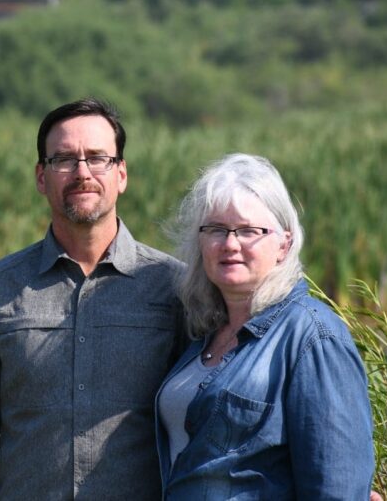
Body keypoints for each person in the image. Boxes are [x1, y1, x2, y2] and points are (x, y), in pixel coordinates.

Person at [0, 98, 185, 500]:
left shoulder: (173, 287)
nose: (82, 172)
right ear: (41, 177)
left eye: (98, 158)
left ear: (121, 174)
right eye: (64, 160)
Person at [155, 153, 375, 499]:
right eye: (216, 229)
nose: (230, 244)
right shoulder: (203, 333)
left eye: (248, 231)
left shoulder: (312, 337)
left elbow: (337, 486)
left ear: (283, 244)